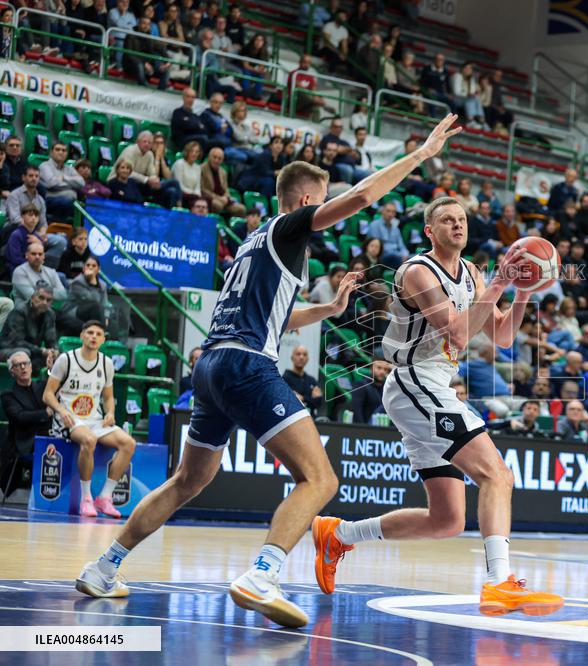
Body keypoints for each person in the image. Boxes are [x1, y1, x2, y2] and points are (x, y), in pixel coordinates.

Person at [74, 114, 464, 630]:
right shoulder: (290, 226)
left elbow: (275, 319)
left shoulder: (253, 244)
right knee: (320, 478)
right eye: (321, 201)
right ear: (307, 202)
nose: (327, 211)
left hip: (211, 364)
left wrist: (326, 311)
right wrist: (421, 154)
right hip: (246, 366)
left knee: (188, 479)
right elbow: (364, 196)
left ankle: (104, 567)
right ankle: (263, 573)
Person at [313, 189, 563, 618]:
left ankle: (340, 534)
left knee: (446, 520)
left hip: (433, 386)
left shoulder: (471, 273)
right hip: (413, 380)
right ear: (430, 230)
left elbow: (501, 336)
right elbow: (459, 335)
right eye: (447, 219)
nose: (458, 224)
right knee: (497, 475)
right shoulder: (417, 271)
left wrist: (522, 292)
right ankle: (499, 584)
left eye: (462, 218)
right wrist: (502, 281)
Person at [43, 320, 136, 518]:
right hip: (68, 419)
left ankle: (104, 497)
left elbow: (108, 397)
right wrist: (61, 410)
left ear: (103, 340)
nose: (94, 337)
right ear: (82, 336)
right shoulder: (66, 360)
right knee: (89, 440)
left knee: (128, 443)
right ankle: (86, 498)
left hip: (94, 419)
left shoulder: (106, 363)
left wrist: (110, 412)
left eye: (98, 334)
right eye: (90, 332)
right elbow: (48, 394)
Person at [0, 351, 50, 496]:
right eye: (18, 365)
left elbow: (58, 383)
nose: (23, 367)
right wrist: (45, 413)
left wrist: (52, 370)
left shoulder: (42, 386)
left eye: (26, 364)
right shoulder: (8, 395)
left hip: (47, 437)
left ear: (31, 367)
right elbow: (20, 417)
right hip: (25, 441)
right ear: (12, 371)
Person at [112, 132, 181, 208]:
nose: (147, 144)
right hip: (126, 183)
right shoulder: (130, 151)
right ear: (138, 142)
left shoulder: (149, 154)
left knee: (172, 191)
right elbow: (127, 173)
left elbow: (154, 173)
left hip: (142, 185)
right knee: (174, 182)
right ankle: (180, 206)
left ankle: (169, 216)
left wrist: (155, 180)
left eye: (149, 142)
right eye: (144, 141)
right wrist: (147, 179)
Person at [39, 142, 85, 221]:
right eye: (57, 150)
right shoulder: (45, 166)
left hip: (70, 201)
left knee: (84, 206)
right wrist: (72, 186)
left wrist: (64, 178)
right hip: (52, 199)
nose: (61, 152)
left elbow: (81, 183)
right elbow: (51, 183)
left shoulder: (69, 168)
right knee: (66, 203)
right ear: (51, 152)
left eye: (64, 150)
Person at [200, 147, 246, 218]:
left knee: (241, 209)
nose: (217, 160)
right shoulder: (202, 169)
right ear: (209, 157)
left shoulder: (223, 172)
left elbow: (225, 189)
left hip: (222, 199)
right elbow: (202, 189)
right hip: (208, 198)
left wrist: (226, 197)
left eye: (219, 158)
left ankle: (231, 227)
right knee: (217, 205)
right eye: (214, 157)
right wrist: (219, 198)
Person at [282, 345, 323, 416]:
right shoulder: (285, 378)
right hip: (292, 419)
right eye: (298, 354)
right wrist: (310, 399)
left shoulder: (311, 380)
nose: (301, 357)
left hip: (311, 419)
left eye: (304, 355)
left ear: (307, 359)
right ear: (292, 358)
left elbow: (318, 402)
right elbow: (289, 401)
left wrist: (303, 398)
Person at [350, 358, 391, 425]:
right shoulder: (361, 386)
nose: (382, 372)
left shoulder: (387, 389)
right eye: (379, 368)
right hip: (366, 430)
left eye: (385, 369)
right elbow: (357, 412)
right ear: (371, 369)